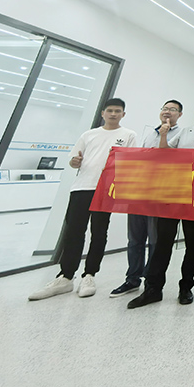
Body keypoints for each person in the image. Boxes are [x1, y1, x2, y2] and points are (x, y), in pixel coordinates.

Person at [29, 99, 137, 300]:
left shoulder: (129, 135)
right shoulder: (88, 135)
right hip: (81, 188)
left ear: (123, 114)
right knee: (74, 232)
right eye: (110, 110)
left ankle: (89, 275)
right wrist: (75, 161)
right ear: (103, 113)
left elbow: (130, 163)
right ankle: (66, 277)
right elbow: (73, 161)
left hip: (105, 191)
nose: (113, 114)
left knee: (99, 233)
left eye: (118, 111)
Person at [127, 99, 194, 309]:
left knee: (193, 245)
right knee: (162, 243)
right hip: (173, 191)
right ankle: (153, 289)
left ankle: (186, 288)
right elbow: (165, 152)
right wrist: (164, 135)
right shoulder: (184, 132)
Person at [110, 99, 181, 297]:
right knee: (135, 239)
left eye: (172, 109)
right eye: (165, 108)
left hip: (161, 193)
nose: (167, 112)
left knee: (155, 240)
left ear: (180, 115)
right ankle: (132, 279)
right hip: (139, 191)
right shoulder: (150, 133)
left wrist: (165, 137)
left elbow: (174, 160)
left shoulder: (181, 135)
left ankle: (151, 281)